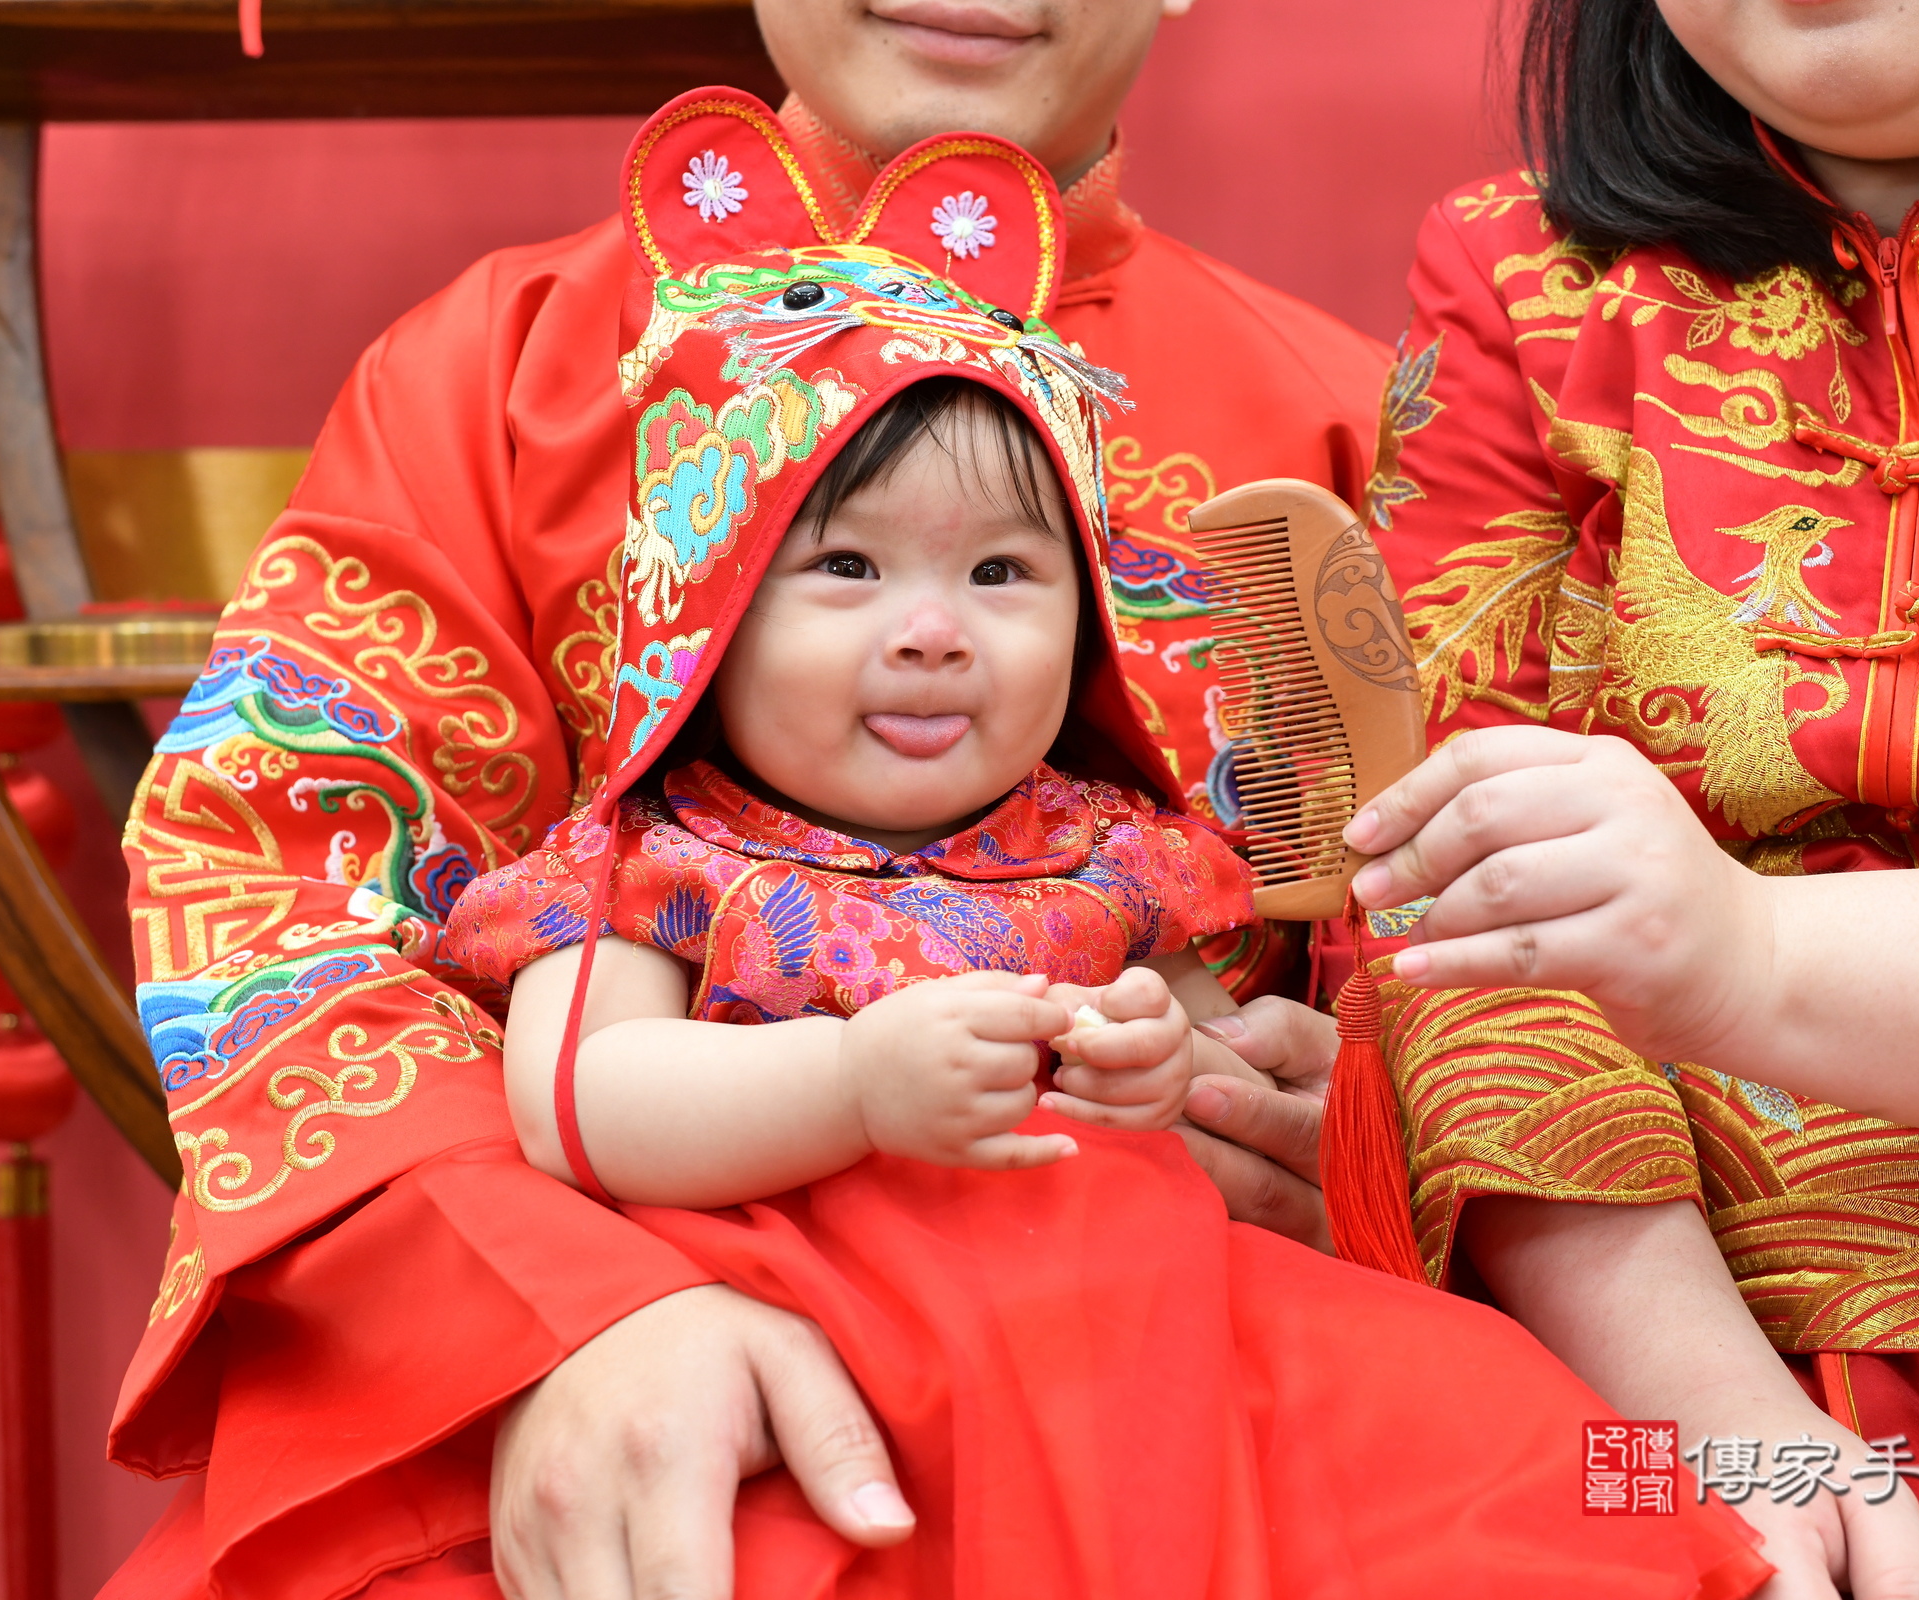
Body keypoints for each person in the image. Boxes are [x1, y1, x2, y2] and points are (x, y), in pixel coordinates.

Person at [103, 4, 1389, 1596]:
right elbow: (276, 896)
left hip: (1204, 1359)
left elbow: (1496, 982)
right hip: (627, 1347)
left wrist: (1378, 1144)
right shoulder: (489, 375)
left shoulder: (1363, 426)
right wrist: (565, 1320)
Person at [429, 163, 1768, 1590]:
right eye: (846, 569)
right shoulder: (665, 865)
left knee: (1493, 1437)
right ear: (707, 611)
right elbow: (579, 1106)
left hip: (1165, 1319)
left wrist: (1156, 1060)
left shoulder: (1107, 850)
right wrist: (851, 1089)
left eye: (1003, 575)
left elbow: (1206, 1060)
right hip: (856, 1329)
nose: (935, 631)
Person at [1191, 0, 1919, 1596]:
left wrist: (1750, 958)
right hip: (1646, 1362)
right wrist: (1710, 1416)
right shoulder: (1520, 281)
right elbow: (1429, 888)